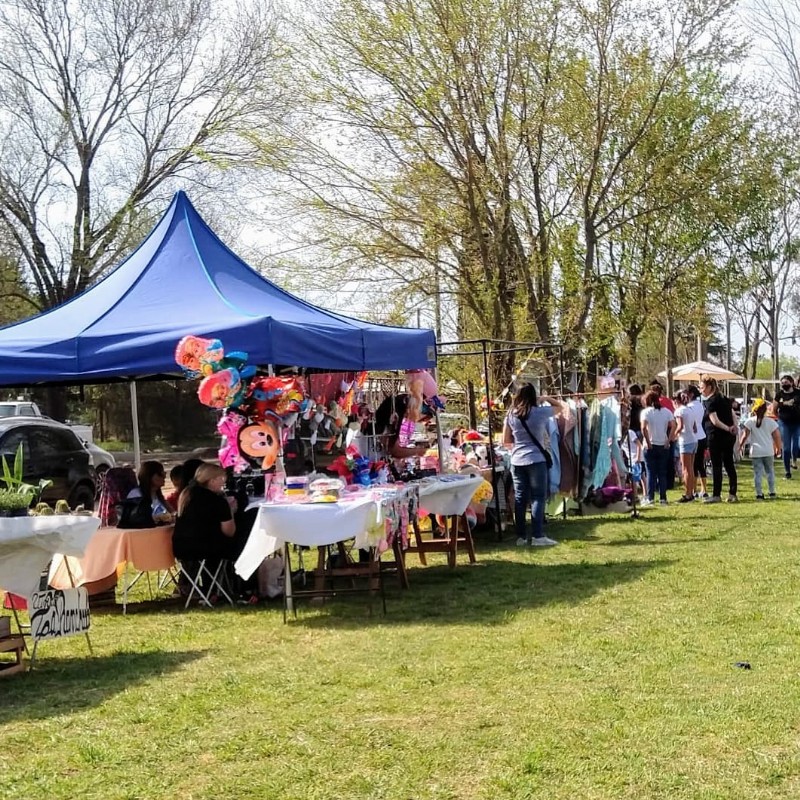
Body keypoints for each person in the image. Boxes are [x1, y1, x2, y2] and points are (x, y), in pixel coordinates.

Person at [502, 383, 563, 546]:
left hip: (517, 460)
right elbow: (560, 407)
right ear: (533, 395)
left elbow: (505, 440)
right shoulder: (540, 412)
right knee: (538, 497)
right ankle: (537, 535)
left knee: (520, 498)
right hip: (536, 459)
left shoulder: (510, 415)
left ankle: (521, 536)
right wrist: (545, 398)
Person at [172, 463, 245, 565]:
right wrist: (231, 510)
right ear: (212, 481)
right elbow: (229, 532)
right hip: (209, 550)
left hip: (182, 550)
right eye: (222, 478)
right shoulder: (218, 501)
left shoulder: (186, 496)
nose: (224, 482)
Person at [699, 374, 738, 503]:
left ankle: (716, 494)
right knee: (729, 464)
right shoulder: (725, 399)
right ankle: (733, 493)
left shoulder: (710, 402)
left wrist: (727, 428)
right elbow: (733, 415)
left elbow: (714, 421)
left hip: (716, 436)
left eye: (702, 387)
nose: (701, 390)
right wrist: (733, 427)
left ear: (710, 387)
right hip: (729, 437)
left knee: (716, 465)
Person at [739, 398, 782, 500]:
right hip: (768, 451)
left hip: (756, 451)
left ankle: (759, 494)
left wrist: (740, 446)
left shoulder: (750, 422)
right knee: (770, 472)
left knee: (757, 473)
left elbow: (744, 436)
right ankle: (772, 492)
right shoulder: (771, 422)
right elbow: (777, 436)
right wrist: (778, 448)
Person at [640, 390, 675, 506]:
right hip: (663, 444)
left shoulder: (646, 412)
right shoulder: (666, 412)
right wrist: (668, 440)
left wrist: (648, 442)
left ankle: (650, 498)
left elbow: (643, 428)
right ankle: (663, 498)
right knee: (662, 473)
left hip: (650, 445)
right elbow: (673, 425)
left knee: (650, 472)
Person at [123, 460, 172, 525]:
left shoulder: (158, 496)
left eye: (164, 473)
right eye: (160, 474)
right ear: (149, 476)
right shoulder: (136, 494)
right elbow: (134, 518)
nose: (164, 477)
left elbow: (171, 513)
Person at [672, 391, 697, 503]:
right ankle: (691, 491)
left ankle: (688, 494)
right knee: (690, 468)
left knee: (685, 469)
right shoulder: (690, 410)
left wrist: (673, 436)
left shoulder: (679, 411)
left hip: (685, 441)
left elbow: (680, 426)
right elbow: (695, 427)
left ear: (676, 401)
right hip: (693, 439)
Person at [685, 385, 709, 498]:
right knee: (700, 464)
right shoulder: (701, 405)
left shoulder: (689, 407)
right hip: (702, 435)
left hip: (694, 436)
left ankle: (694, 489)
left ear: (691, 394)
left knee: (694, 464)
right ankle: (704, 488)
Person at [775, 374, 800, 479]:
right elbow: (774, 409)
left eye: (785, 382)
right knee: (786, 449)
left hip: (797, 423)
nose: (783, 384)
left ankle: (794, 460)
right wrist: (780, 418)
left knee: (795, 446)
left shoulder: (798, 393)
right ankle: (787, 472)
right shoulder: (779, 394)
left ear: (791, 382)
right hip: (784, 423)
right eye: (782, 383)